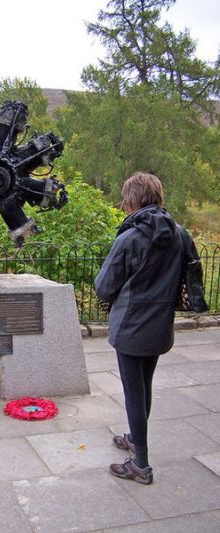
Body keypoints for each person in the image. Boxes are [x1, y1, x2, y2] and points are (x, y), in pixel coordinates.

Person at [95, 171, 183, 485]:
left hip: (132, 327)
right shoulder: (179, 233)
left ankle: (140, 464)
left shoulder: (130, 237)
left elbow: (104, 285)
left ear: (132, 199)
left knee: (134, 392)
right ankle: (135, 437)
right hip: (161, 325)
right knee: (144, 386)